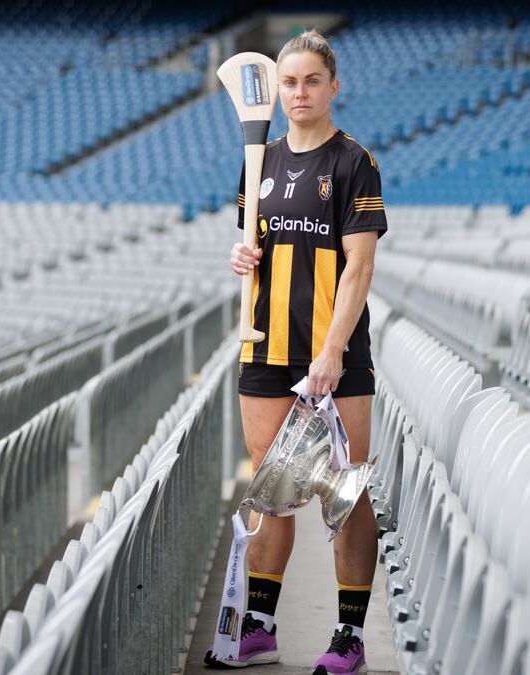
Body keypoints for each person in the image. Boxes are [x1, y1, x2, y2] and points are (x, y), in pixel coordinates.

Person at [205, 30, 387, 675]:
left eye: (312, 81)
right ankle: (258, 629)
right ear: (276, 90)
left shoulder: (353, 162)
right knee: (270, 491)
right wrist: (238, 255)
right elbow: (250, 244)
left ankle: (349, 638)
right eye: (289, 82)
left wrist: (333, 352)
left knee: (345, 494)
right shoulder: (260, 161)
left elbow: (358, 269)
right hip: (266, 349)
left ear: (332, 87)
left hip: (333, 356)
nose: (300, 92)